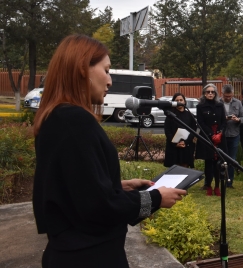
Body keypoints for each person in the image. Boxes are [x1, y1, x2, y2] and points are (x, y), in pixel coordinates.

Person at [32, 35, 185, 268]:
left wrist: (117, 186)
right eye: (106, 70)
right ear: (83, 68)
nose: (110, 81)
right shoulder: (75, 120)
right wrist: (155, 198)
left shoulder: (58, 117)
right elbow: (99, 207)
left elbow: (74, 188)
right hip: (89, 256)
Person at [196, 83, 227, 196]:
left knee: (218, 163)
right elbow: (200, 122)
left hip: (219, 138)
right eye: (208, 92)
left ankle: (217, 186)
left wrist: (220, 133)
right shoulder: (200, 106)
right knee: (209, 163)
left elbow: (224, 121)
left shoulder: (220, 105)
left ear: (215, 93)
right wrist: (211, 134)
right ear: (204, 93)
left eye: (212, 92)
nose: (210, 94)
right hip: (207, 138)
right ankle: (208, 186)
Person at [218, 84, 243, 188]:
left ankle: (229, 182)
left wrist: (238, 119)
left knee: (231, 159)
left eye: (230, 96)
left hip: (234, 134)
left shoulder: (238, 103)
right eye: (226, 96)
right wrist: (223, 119)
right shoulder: (218, 103)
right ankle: (220, 180)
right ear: (222, 94)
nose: (228, 98)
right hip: (221, 135)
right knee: (221, 158)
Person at [163, 93, 196, 168]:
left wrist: (186, 142)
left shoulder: (189, 115)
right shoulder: (170, 115)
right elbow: (167, 130)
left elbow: (193, 130)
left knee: (185, 167)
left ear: (184, 101)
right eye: (177, 100)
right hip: (173, 146)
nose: (179, 101)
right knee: (175, 169)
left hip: (186, 145)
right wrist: (175, 143)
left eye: (181, 100)